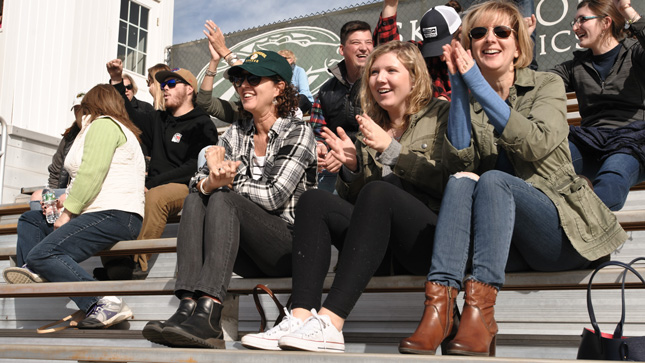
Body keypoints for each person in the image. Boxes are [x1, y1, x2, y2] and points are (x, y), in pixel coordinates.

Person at [401, 0, 627, 356]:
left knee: (492, 180)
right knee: (462, 179)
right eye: (478, 33)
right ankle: (440, 309)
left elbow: (535, 144)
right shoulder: (471, 102)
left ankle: (479, 314)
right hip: (505, 243)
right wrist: (461, 90)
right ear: (470, 44)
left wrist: (475, 81)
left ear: (518, 44)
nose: (489, 39)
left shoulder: (546, 84)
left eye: (501, 31)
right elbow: (457, 164)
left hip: (562, 233)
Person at [241, 41, 450, 353]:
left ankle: (332, 323)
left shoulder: (441, 114)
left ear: (415, 77)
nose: (380, 79)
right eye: (375, 72)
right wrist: (352, 168)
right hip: (378, 250)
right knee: (315, 201)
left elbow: (449, 181)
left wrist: (391, 151)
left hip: (424, 242)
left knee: (380, 191)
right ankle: (300, 316)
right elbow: (357, 202)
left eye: (391, 70)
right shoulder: (371, 125)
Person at [141, 50, 317, 349]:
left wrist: (227, 182)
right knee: (198, 198)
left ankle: (209, 312)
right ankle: (187, 306)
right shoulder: (237, 132)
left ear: (279, 87)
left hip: (286, 247)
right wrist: (210, 182)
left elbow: (274, 196)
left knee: (223, 198)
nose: (242, 85)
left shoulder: (298, 131)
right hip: (244, 249)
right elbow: (197, 179)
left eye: (253, 78)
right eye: (238, 78)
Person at [2, 84, 146, 329]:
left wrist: (68, 212)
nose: (78, 114)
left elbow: (92, 173)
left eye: (81, 108)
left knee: (43, 253)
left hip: (115, 214)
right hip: (99, 211)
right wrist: (63, 202)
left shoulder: (104, 125)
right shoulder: (103, 128)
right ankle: (35, 270)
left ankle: (102, 301)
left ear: (91, 106)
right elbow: (86, 177)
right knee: (31, 220)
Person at [105, 60, 219, 280]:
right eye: (163, 83)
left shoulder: (202, 124)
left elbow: (194, 167)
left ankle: (138, 262)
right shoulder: (159, 119)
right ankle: (115, 262)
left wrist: (152, 184)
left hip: (186, 185)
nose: (165, 87)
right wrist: (118, 81)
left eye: (172, 83)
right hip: (154, 185)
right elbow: (128, 112)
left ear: (189, 89)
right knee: (113, 193)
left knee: (156, 197)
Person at [551, 0, 645, 211]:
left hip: (633, 140)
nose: (575, 27)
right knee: (547, 164)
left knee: (611, 183)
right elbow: (538, 83)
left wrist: (628, 11)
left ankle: (580, 225)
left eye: (582, 20)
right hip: (591, 141)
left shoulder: (635, 54)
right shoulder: (575, 66)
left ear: (606, 23)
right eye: (574, 22)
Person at [310, 21, 374, 193]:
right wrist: (320, 147)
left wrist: (351, 154)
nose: (364, 48)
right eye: (356, 43)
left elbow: (389, 132)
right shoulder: (325, 91)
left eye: (369, 42)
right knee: (316, 198)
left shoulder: (380, 85)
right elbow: (318, 131)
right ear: (342, 49)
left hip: (374, 162)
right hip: (335, 165)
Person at [374, 1, 462, 101]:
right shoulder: (421, 51)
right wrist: (390, 6)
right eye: (434, 48)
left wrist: (445, 99)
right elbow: (390, 52)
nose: (441, 55)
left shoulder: (475, 53)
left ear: (460, 33)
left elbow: (473, 87)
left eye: (444, 46)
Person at [28, 94, 84, 211]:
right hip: (65, 189)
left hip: (81, 192)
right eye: (76, 109)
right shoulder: (69, 137)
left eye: (82, 108)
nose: (79, 112)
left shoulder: (95, 133)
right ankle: (46, 225)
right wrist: (52, 196)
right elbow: (56, 170)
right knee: (39, 197)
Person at [278, 49, 314, 114]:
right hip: (287, 103)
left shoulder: (299, 71)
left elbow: (304, 92)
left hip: (302, 102)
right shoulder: (279, 74)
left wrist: (292, 103)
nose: (280, 61)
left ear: (290, 60)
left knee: (302, 97)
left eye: (282, 58)